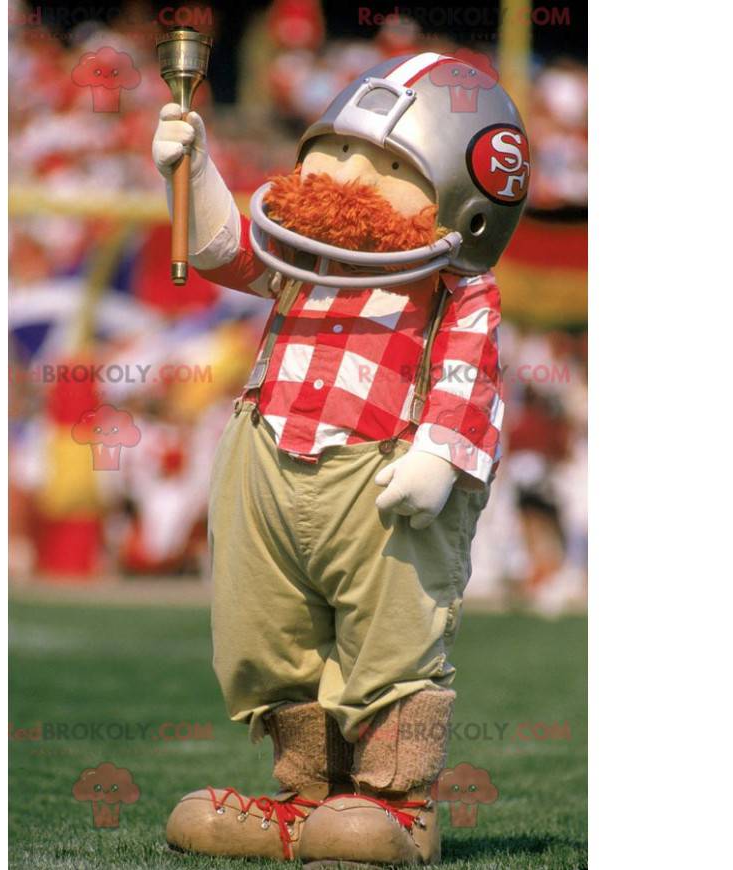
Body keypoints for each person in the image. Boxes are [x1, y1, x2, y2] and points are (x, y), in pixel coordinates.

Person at [153, 51, 530, 865]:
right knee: (267, 629)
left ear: (464, 200)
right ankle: (306, 800)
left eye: (388, 162)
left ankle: (399, 805)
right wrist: (195, 167)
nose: (347, 173)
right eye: (336, 147)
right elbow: (227, 250)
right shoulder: (308, 254)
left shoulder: (455, 286)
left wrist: (437, 455)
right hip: (269, 465)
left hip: (386, 477)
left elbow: (469, 375)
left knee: (391, 634)